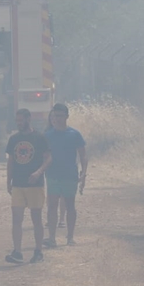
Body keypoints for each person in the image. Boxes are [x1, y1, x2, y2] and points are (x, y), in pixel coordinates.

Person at [5, 108, 52, 264]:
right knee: (16, 218)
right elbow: (11, 161)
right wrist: (8, 180)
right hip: (18, 183)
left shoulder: (39, 138)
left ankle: (38, 251)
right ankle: (17, 252)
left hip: (35, 184)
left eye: (21, 120)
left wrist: (38, 173)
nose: (18, 123)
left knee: (36, 218)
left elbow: (48, 159)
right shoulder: (13, 139)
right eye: (17, 120)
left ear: (28, 119)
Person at [43, 103, 88, 247]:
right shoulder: (47, 135)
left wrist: (84, 173)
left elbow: (83, 155)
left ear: (67, 117)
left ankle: (70, 237)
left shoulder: (74, 134)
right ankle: (52, 238)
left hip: (70, 175)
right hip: (52, 175)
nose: (57, 119)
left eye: (61, 116)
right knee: (52, 206)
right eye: (55, 116)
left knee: (70, 206)